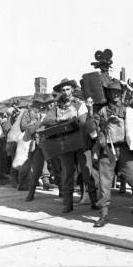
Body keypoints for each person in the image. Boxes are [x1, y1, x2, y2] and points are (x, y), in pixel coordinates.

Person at [93, 79, 133, 227]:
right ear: (108, 94)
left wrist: (129, 88)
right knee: (104, 184)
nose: (115, 95)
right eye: (113, 92)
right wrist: (101, 128)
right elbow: (93, 127)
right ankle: (103, 215)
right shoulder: (101, 110)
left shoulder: (126, 108)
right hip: (107, 151)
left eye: (118, 92)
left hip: (124, 150)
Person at [41, 78, 95, 213]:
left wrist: (83, 115)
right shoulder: (56, 107)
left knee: (87, 172)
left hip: (81, 142)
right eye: (63, 90)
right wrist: (60, 119)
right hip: (64, 144)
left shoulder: (80, 104)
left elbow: (85, 121)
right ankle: (68, 203)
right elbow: (46, 120)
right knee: (67, 174)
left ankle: (94, 201)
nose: (66, 92)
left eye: (68, 89)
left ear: (72, 90)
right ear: (60, 91)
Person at [20, 93, 58, 202]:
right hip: (38, 144)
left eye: (50, 103)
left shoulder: (54, 112)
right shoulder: (33, 113)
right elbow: (29, 129)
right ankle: (31, 193)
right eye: (45, 104)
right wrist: (40, 121)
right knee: (36, 169)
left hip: (52, 143)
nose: (46, 105)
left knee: (57, 168)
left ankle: (62, 193)